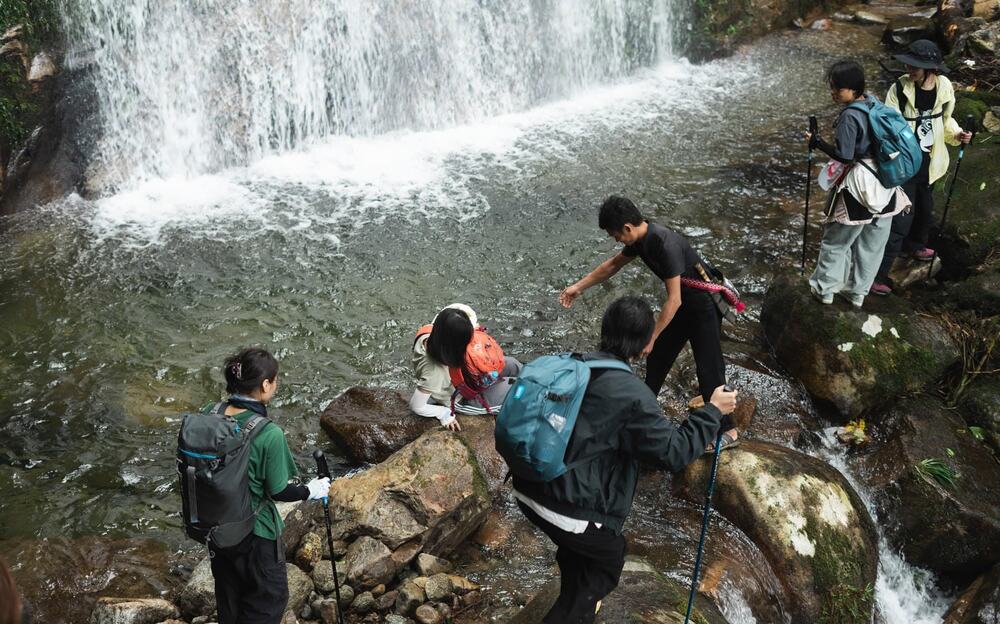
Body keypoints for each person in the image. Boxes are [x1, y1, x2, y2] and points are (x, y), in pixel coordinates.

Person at [512, 296, 738, 624]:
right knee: (607, 560)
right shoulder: (633, 394)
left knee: (582, 553)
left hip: (526, 484)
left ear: (605, 331)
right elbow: (674, 453)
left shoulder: (577, 365)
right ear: (647, 344)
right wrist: (713, 412)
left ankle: (577, 602)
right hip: (561, 504)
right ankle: (573, 612)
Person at [560, 195, 740, 451]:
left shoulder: (663, 243)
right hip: (684, 307)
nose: (616, 241)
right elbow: (612, 265)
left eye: (615, 236)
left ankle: (729, 430)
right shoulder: (641, 239)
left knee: (708, 369)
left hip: (702, 308)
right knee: (658, 359)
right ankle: (641, 409)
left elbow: (673, 300)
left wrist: (651, 336)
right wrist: (578, 287)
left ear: (627, 228)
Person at [204, 347, 330, 624]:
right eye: (276, 380)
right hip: (256, 534)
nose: (276, 384)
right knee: (268, 600)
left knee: (230, 598)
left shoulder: (209, 414)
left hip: (217, 530)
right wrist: (313, 490)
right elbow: (279, 491)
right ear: (265, 385)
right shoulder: (268, 433)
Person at [870, 40, 973, 296]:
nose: (909, 68)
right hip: (905, 163)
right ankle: (876, 276)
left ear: (931, 69)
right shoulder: (899, 89)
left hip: (931, 159)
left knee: (925, 210)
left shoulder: (945, 87)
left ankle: (916, 247)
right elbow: (888, 126)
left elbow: (945, 120)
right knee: (899, 219)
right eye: (909, 64)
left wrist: (958, 135)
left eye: (915, 65)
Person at [806, 60, 908, 308]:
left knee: (837, 241)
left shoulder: (850, 116)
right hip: (886, 184)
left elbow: (845, 155)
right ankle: (857, 293)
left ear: (852, 89)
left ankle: (826, 290)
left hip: (859, 187)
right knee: (872, 245)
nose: (833, 92)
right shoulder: (875, 104)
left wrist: (817, 142)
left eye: (837, 88)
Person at [410, 303, 521, 432]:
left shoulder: (431, 334)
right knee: (517, 390)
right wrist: (444, 414)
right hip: (462, 398)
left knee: (513, 365)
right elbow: (416, 406)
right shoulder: (434, 372)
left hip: (465, 376)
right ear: (455, 345)